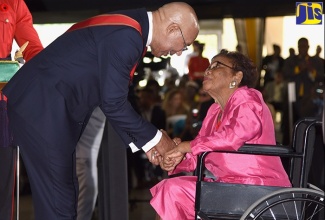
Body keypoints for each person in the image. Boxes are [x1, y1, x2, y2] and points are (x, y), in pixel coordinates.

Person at [2, 2, 199, 219]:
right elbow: (114, 103)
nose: (180, 53)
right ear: (172, 28)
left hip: (46, 110)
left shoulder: (130, 29)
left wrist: (148, 145)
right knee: (59, 205)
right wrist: (158, 141)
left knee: (64, 200)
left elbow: (111, 101)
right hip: (43, 111)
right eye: (184, 45)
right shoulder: (128, 35)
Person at [150, 49, 291, 220]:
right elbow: (198, 154)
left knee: (172, 191)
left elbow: (238, 133)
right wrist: (173, 158)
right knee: (170, 189)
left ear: (236, 77)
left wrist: (187, 146)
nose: (208, 70)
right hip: (229, 188)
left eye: (217, 65)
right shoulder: (214, 111)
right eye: (209, 65)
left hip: (258, 188)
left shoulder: (247, 98)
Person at [0, 0, 43, 219]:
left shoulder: (14, 3)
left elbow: (32, 48)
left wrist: (44, 74)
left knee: (3, 186)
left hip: (1, 103)